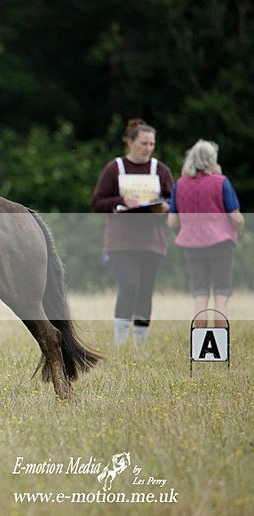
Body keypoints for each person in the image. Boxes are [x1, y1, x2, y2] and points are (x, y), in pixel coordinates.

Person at [91, 118, 174, 346]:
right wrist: (121, 201)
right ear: (130, 142)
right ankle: (120, 341)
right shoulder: (114, 168)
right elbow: (97, 202)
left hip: (152, 241)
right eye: (144, 143)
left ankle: (140, 344)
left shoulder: (161, 170)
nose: (148, 148)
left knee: (145, 290)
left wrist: (166, 207)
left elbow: (173, 201)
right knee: (130, 285)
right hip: (122, 241)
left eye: (151, 144)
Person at [168, 140, 244, 325]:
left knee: (200, 294)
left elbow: (171, 222)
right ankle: (219, 342)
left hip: (191, 245)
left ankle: (200, 342)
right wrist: (238, 231)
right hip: (221, 243)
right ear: (212, 159)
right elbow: (236, 218)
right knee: (221, 294)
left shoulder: (180, 184)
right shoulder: (221, 182)